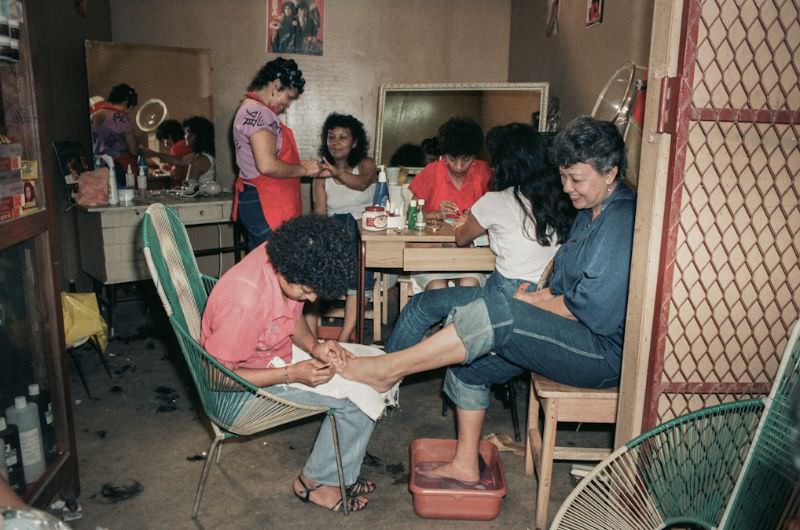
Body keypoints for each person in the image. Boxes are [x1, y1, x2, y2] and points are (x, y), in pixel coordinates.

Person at [337, 116, 636, 486]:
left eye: (576, 179)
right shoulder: (590, 213)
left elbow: (587, 310)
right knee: (469, 366)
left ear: (611, 173)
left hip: (601, 352)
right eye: (563, 177)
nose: (566, 188)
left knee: (498, 309)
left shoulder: (621, 220)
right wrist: (536, 299)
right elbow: (560, 290)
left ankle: (389, 369)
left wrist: (526, 306)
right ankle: (464, 463)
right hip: (572, 331)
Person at [201, 215, 384, 513]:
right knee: (357, 400)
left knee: (371, 368)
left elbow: (289, 315)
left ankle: (340, 470)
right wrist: (291, 374)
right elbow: (214, 376)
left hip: (269, 355)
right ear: (288, 271)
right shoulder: (245, 300)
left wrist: (315, 346)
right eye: (307, 290)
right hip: (237, 395)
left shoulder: (281, 256)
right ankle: (315, 483)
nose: (312, 298)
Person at [385, 122, 575, 353]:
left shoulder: (495, 199)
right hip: (547, 291)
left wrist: (470, 220)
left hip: (510, 294)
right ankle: (448, 347)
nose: (459, 166)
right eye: (453, 160)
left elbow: (462, 237)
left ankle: (400, 361)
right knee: (442, 288)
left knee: (422, 305)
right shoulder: (558, 198)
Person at [232, 57, 321, 250]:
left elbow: (269, 159)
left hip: (257, 199)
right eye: (288, 97)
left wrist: (302, 165)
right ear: (276, 85)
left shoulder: (249, 110)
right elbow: (268, 165)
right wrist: (303, 170)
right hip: (265, 202)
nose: (287, 105)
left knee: (265, 266)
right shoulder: (259, 113)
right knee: (275, 267)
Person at [308, 113, 378, 341]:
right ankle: (311, 335)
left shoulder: (365, 164)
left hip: (363, 233)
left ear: (355, 142)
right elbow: (319, 212)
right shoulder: (320, 174)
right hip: (334, 236)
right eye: (331, 137)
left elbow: (362, 184)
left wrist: (337, 172)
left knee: (353, 230)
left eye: (343, 137)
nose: (336, 143)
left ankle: (345, 335)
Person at [409, 117, 492, 290]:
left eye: (466, 159)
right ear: (444, 154)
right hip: (432, 253)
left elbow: (495, 216)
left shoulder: (484, 172)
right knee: (437, 287)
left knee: (470, 284)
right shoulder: (431, 172)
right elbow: (412, 215)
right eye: (453, 159)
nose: (459, 167)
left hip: (470, 255)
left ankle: (459, 319)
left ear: (475, 155)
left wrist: (476, 215)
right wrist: (437, 214)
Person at [143, 116, 216, 189]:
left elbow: (189, 189)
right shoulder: (201, 154)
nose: (185, 136)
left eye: (187, 132)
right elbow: (181, 160)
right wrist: (154, 154)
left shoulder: (199, 160)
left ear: (196, 135)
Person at [90, 83, 139, 176]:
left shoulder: (94, 115)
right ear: (126, 102)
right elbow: (134, 150)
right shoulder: (121, 118)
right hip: (120, 167)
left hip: (98, 166)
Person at [155, 119, 192, 184]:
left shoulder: (176, 148)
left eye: (163, 140)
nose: (164, 145)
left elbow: (176, 176)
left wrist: (163, 169)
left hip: (182, 187)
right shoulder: (186, 144)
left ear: (168, 137)